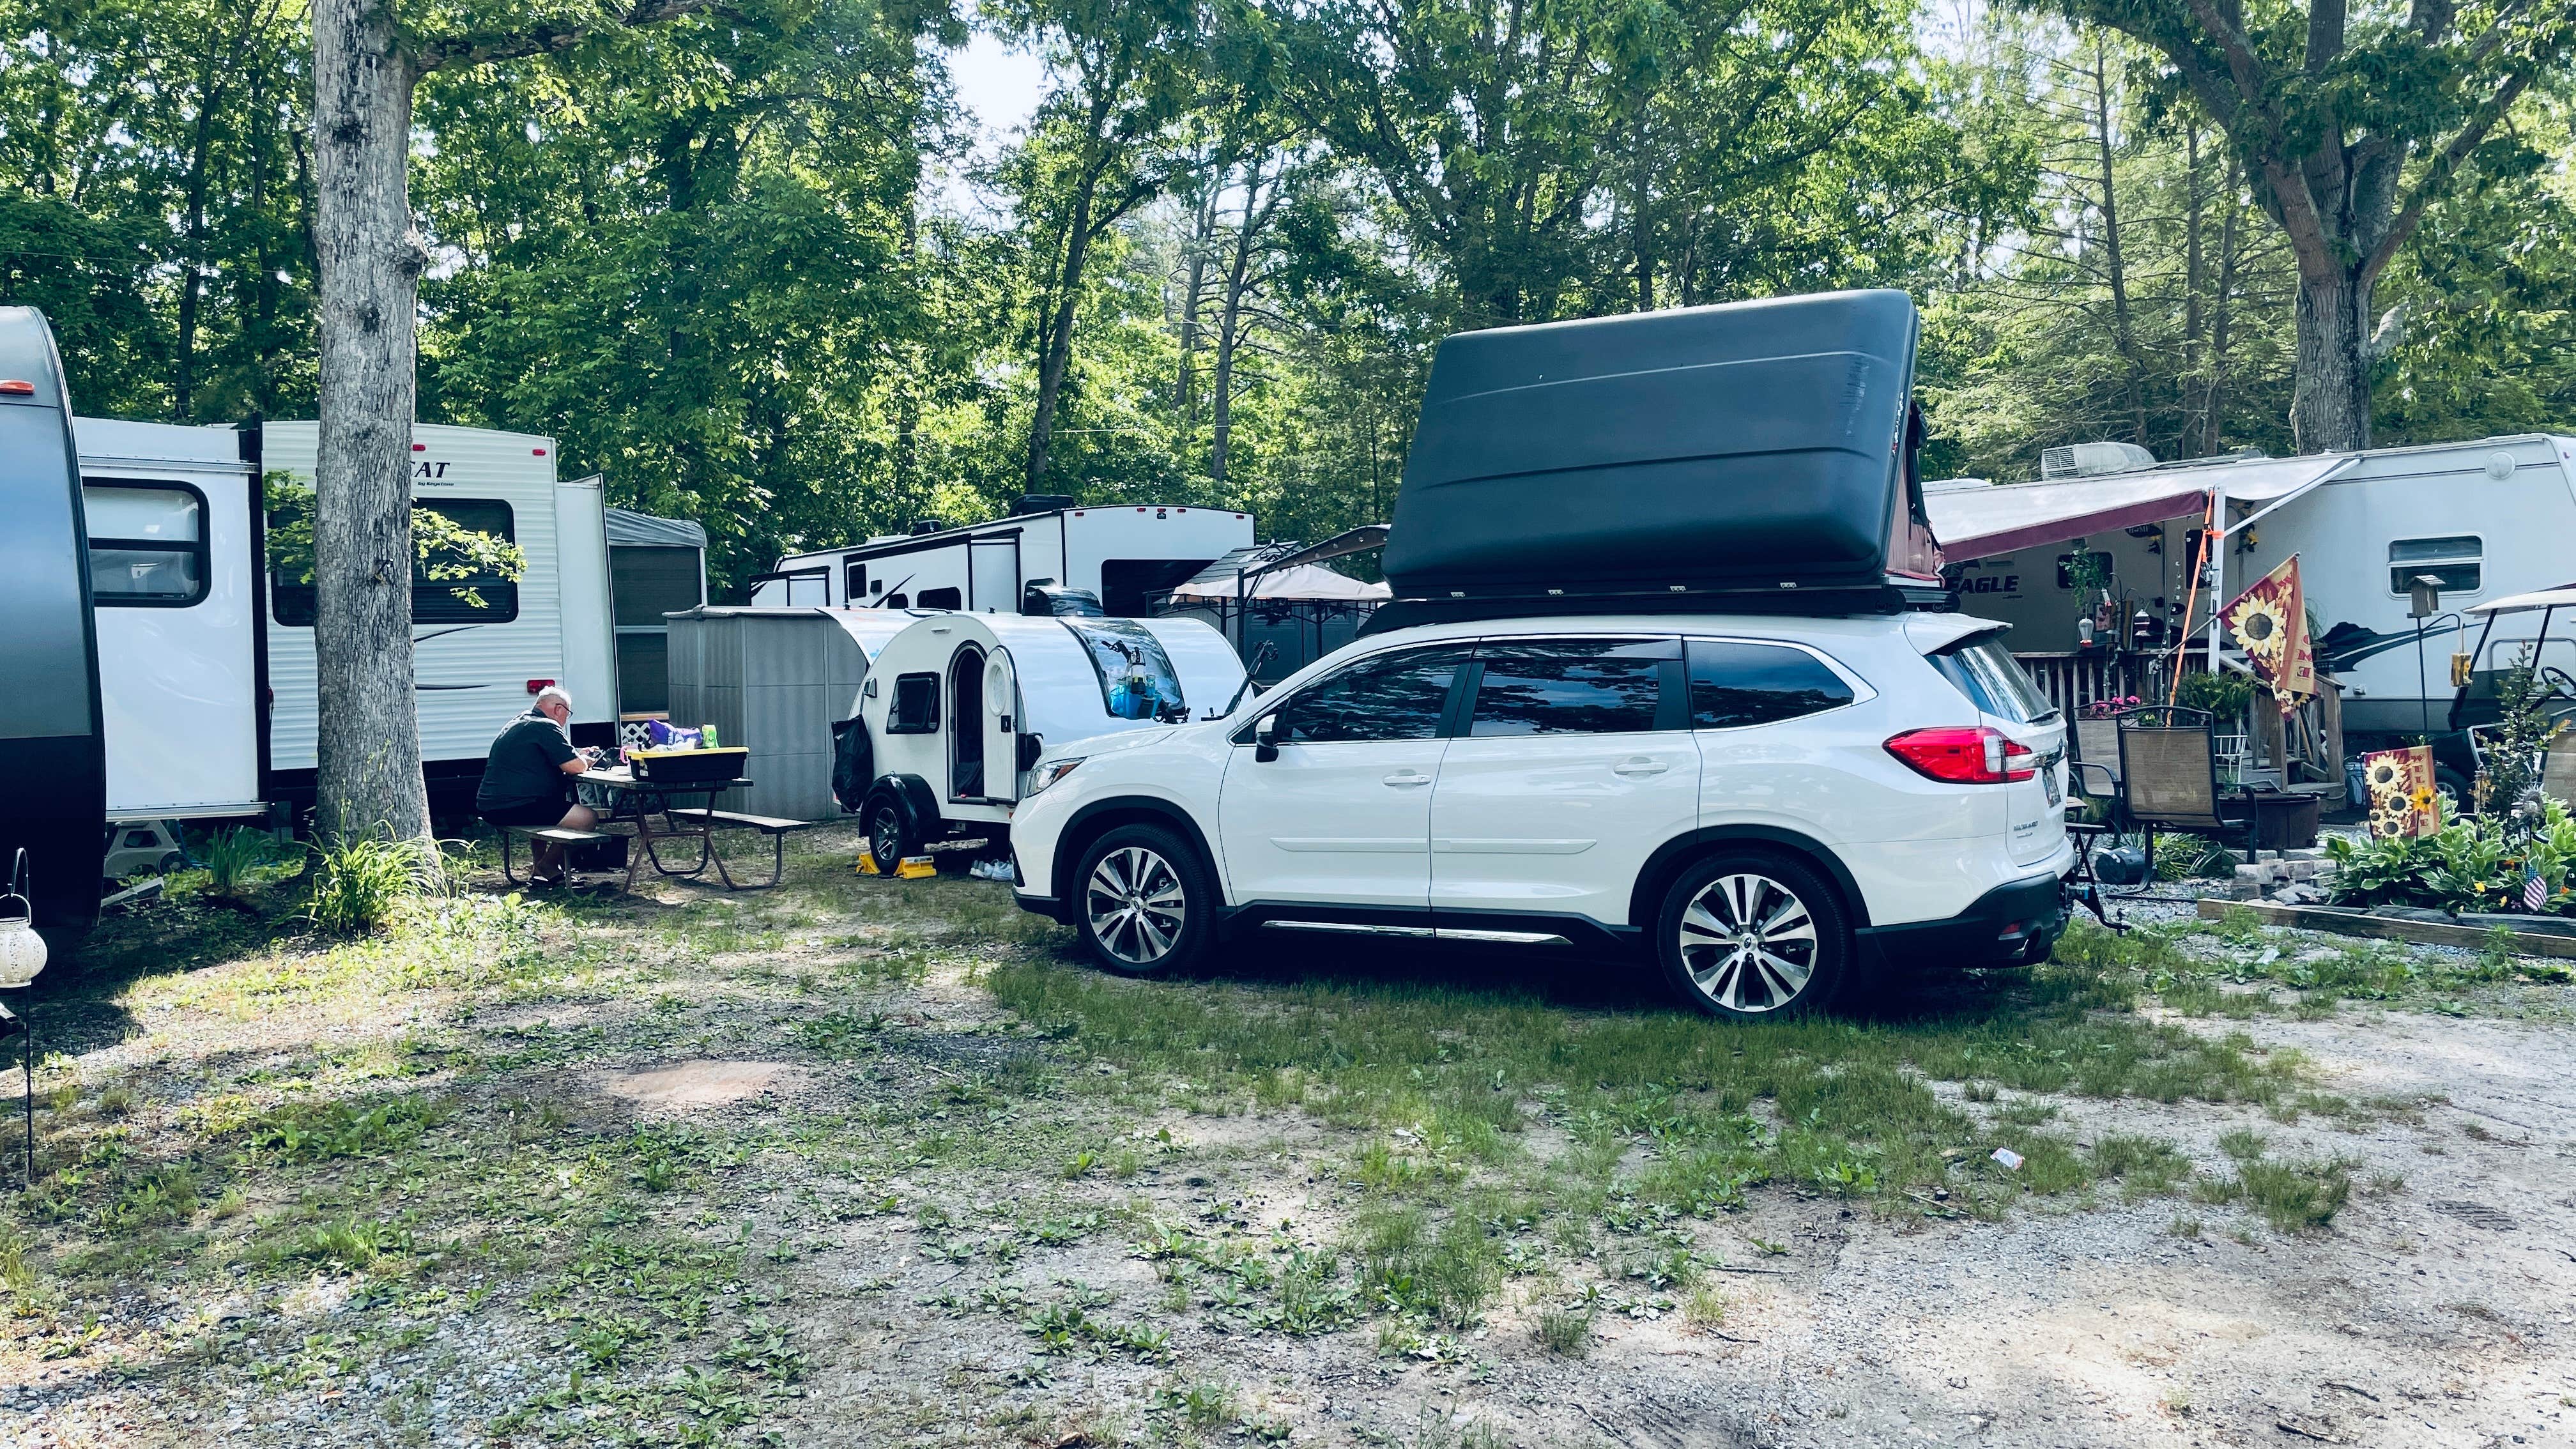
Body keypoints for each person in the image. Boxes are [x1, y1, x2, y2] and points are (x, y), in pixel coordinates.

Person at [476, 686, 598, 884]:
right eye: (568, 713)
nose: (567, 719)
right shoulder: (546, 726)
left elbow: (550, 753)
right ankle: (548, 865)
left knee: (545, 807)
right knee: (587, 818)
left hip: (492, 805)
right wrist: (586, 761)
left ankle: (539, 869)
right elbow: (575, 767)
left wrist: (575, 754)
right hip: (514, 805)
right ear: (559, 709)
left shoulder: (520, 722)